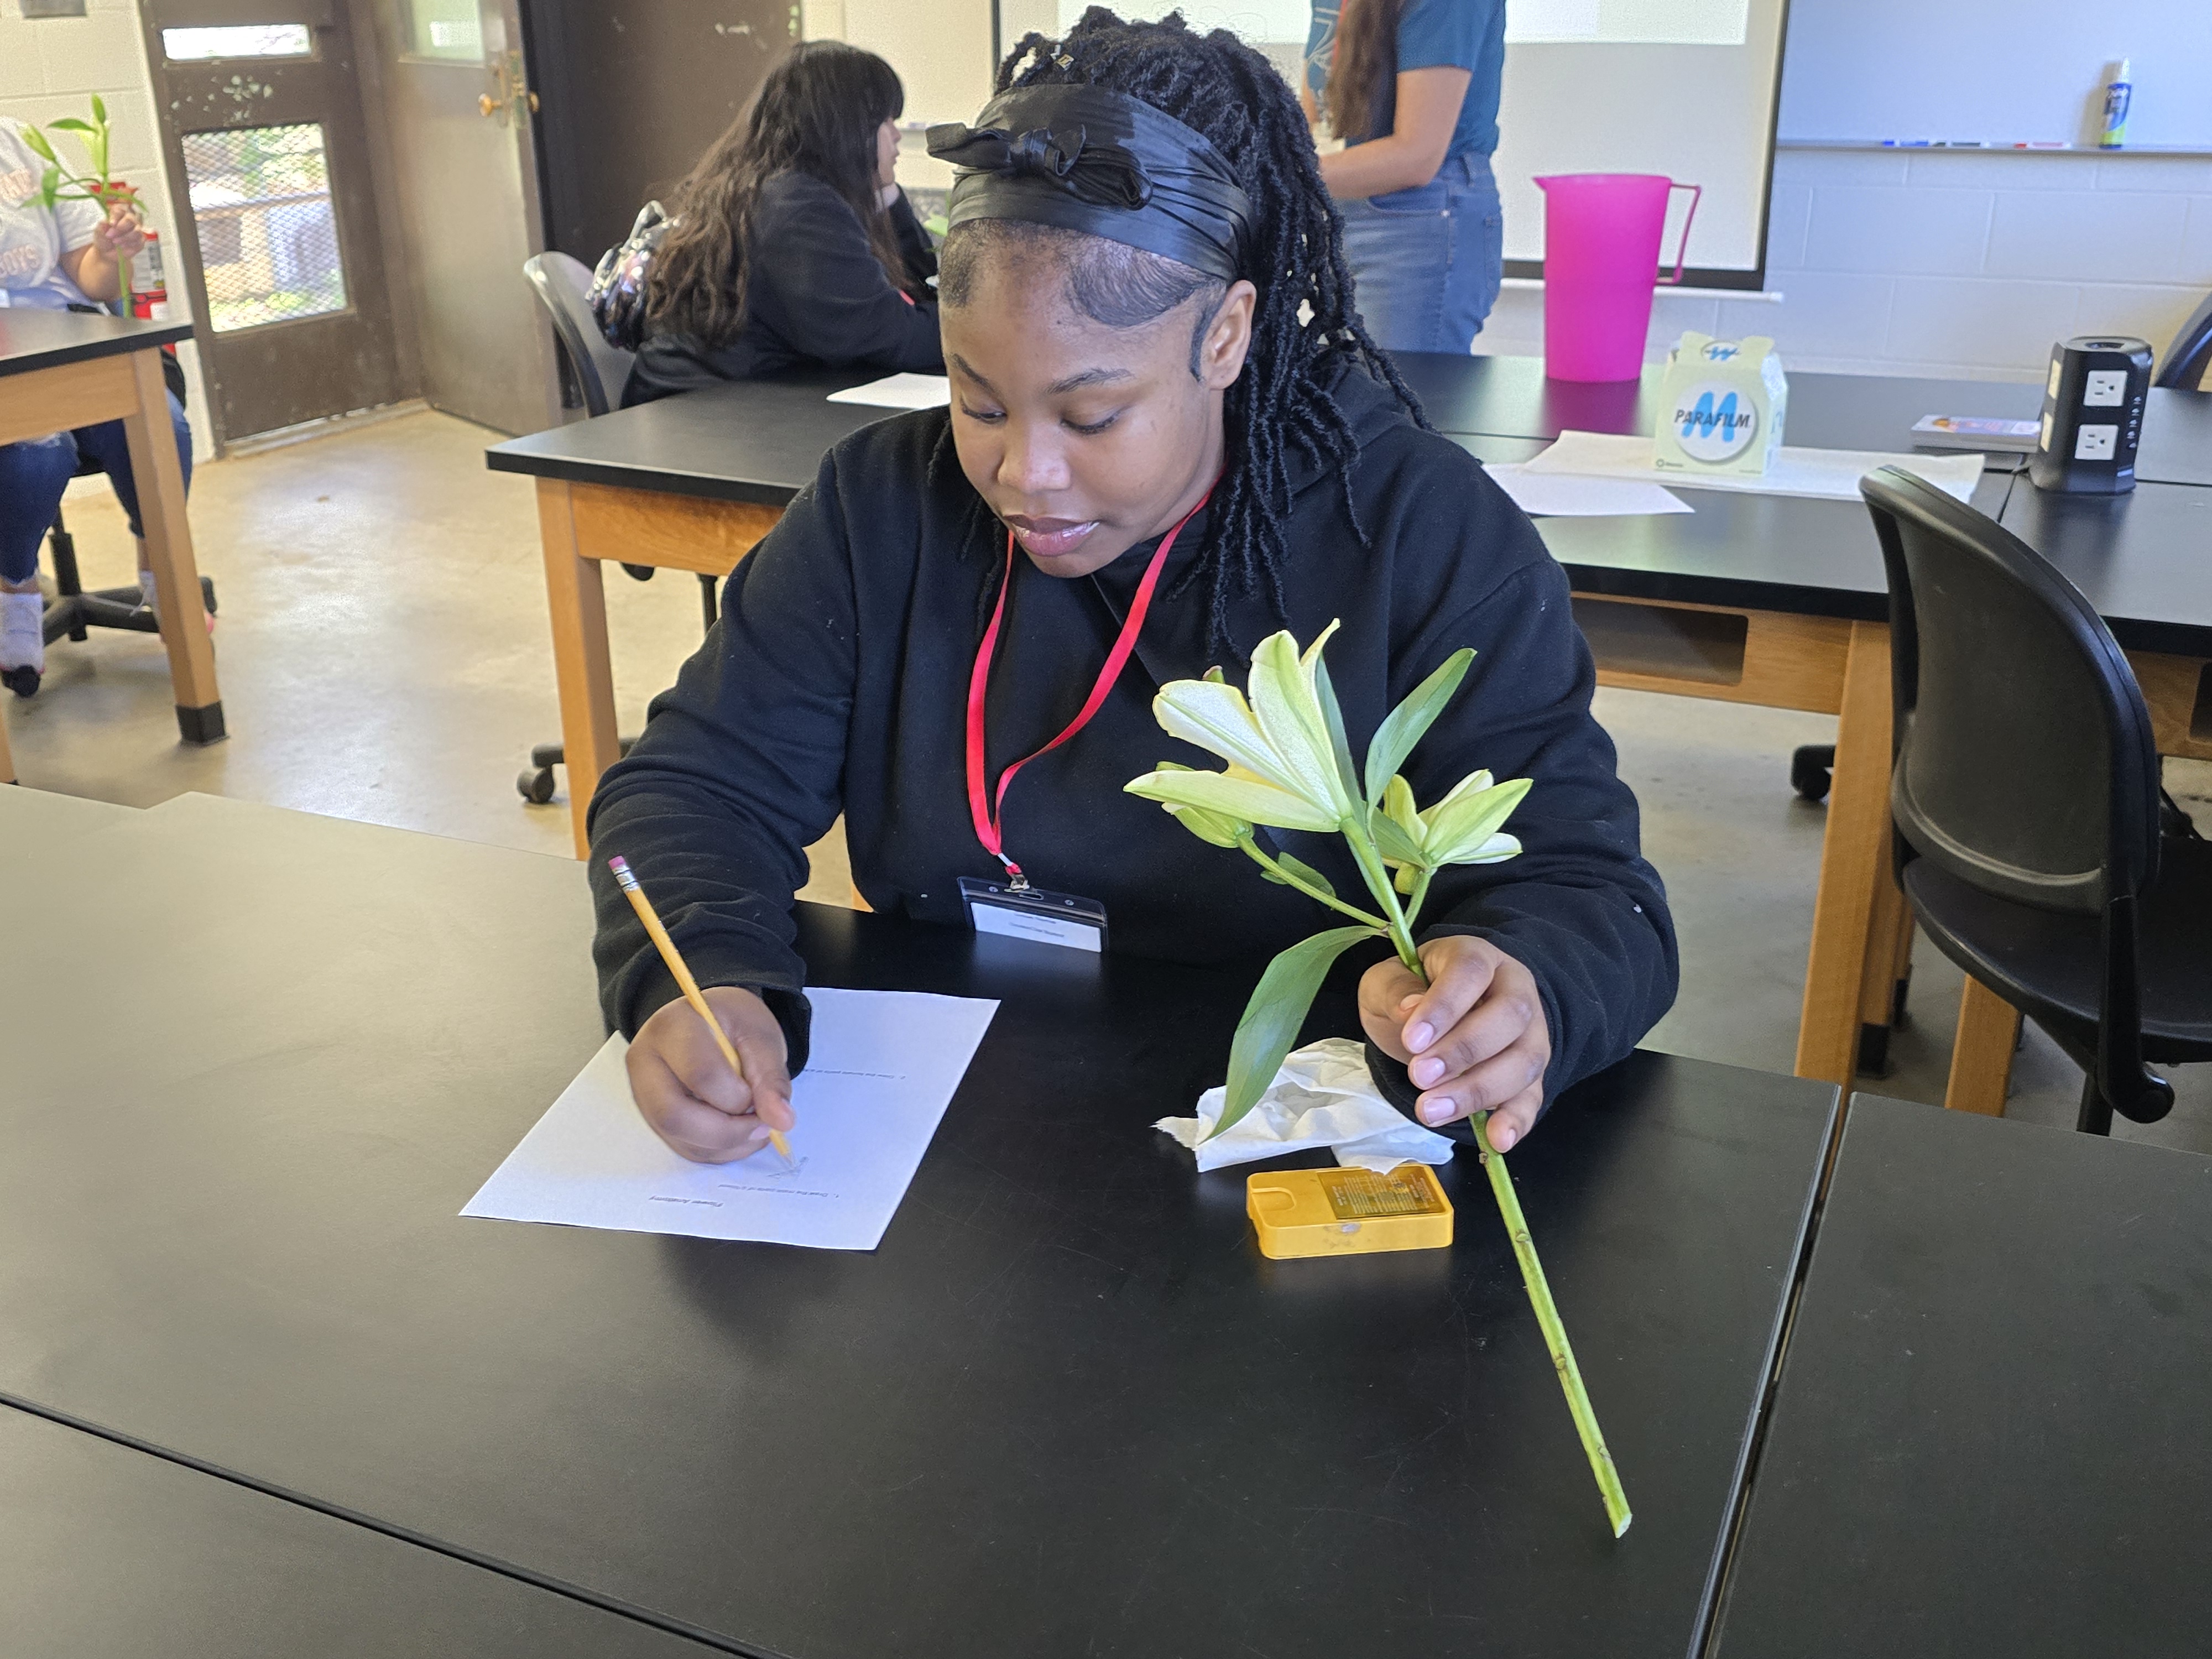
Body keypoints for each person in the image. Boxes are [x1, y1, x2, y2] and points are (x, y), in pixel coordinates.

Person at [587, 9, 1675, 1166]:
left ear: (1226, 335)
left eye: (1093, 413)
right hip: (955, 1152)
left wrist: (1526, 985)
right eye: (978, 401)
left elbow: (1589, 888)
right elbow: (696, 787)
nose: (1022, 474)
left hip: (1283, 1152)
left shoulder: (1412, 532)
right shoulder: (880, 511)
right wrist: (695, 977)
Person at [622, 41, 943, 406]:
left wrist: (888, 198)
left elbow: (919, 290)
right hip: (699, 416)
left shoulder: (776, 189)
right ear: (848, 127)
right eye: (885, 120)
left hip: (727, 403)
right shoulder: (798, 210)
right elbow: (892, 336)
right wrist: (994, 335)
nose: (897, 135)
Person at [0, 116, 199, 698]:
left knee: (163, 422)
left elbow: (93, 281)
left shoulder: (15, 141)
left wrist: (110, 253)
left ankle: (159, 566)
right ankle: (16, 588)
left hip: (71, 341)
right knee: (38, 453)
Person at [1304, 0, 1505, 354]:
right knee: (1339, 397)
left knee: (1398, 400)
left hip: (1416, 224)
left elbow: (1416, 156)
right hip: (1341, 213)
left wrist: (1272, 174)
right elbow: (1315, 123)